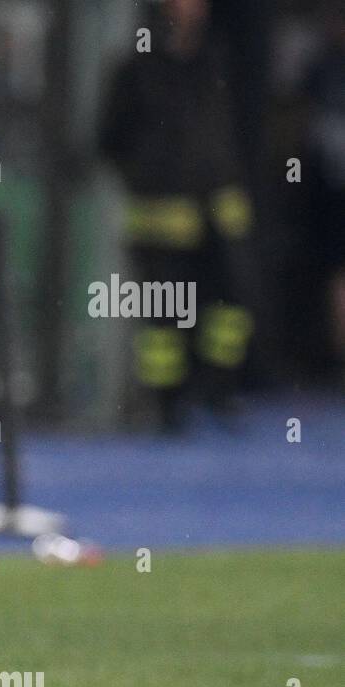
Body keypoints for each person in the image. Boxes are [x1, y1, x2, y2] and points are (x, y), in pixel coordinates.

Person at [99, 0, 255, 432]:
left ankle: (219, 391)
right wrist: (151, 178)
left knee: (232, 305)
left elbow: (232, 133)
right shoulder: (136, 68)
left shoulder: (218, 62)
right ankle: (167, 408)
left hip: (220, 213)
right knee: (165, 317)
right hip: (160, 217)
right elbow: (109, 139)